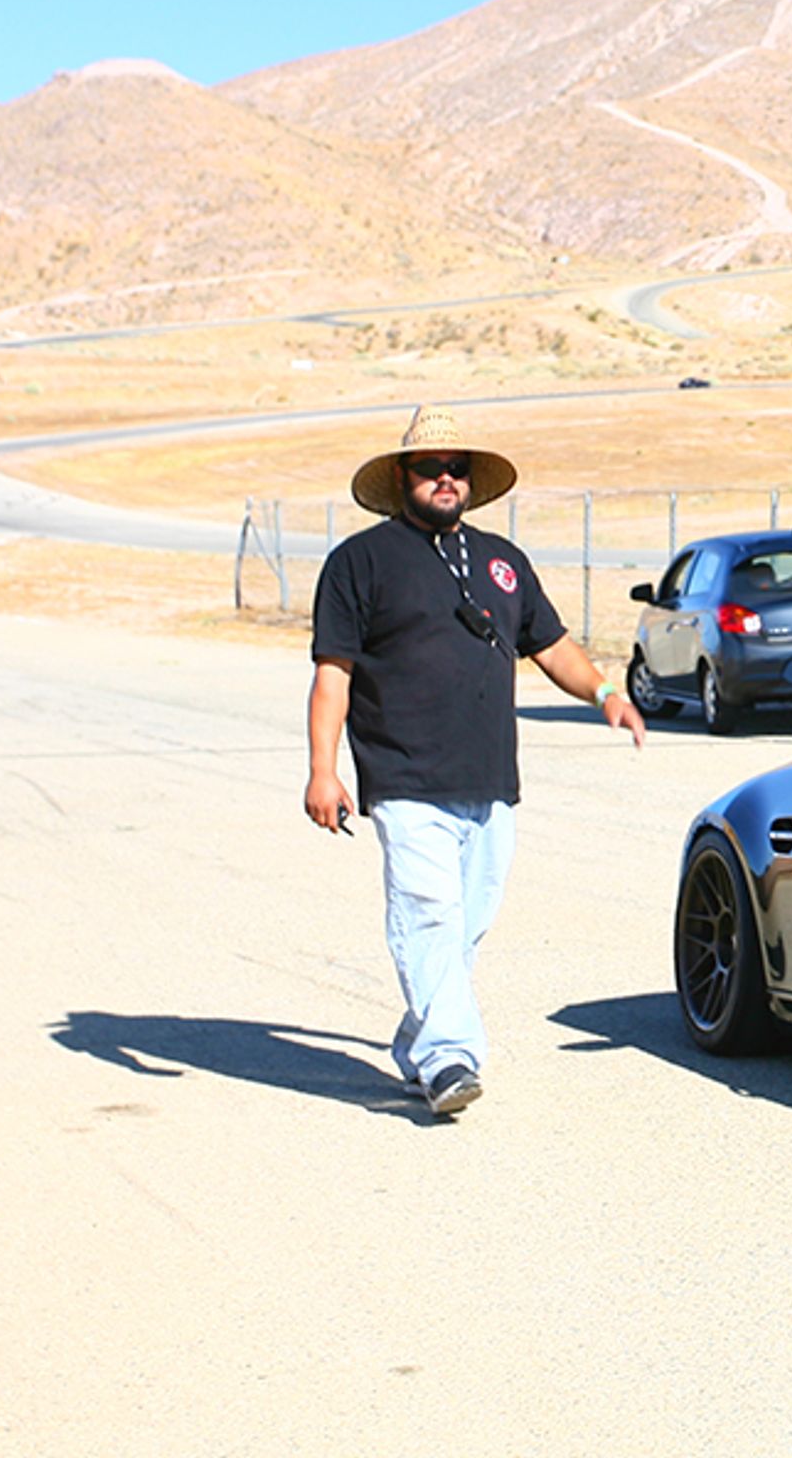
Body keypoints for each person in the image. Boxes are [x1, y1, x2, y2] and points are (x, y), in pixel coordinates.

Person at [302, 405, 644, 1116]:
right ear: (403, 476)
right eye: (430, 468)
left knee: (465, 925)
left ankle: (417, 1041)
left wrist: (606, 692)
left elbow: (551, 646)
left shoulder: (503, 562)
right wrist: (323, 768)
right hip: (404, 775)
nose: (445, 479)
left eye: (457, 468)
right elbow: (332, 672)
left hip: (489, 780)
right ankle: (449, 1059)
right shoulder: (358, 564)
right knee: (427, 913)